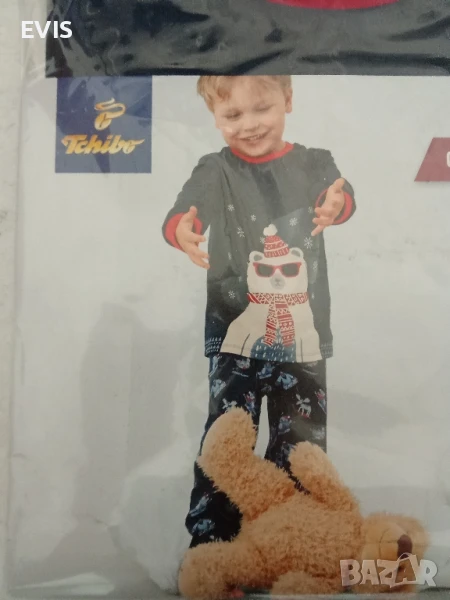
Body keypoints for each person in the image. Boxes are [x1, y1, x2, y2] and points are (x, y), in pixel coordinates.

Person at [162, 75, 356, 547]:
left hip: (303, 337)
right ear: (214, 117)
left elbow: (337, 192)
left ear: (288, 99)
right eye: (232, 114)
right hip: (234, 333)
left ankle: (294, 541)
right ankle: (212, 544)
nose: (249, 124)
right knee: (227, 439)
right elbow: (187, 207)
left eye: (262, 108)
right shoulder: (215, 168)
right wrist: (183, 228)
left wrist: (336, 203)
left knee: (302, 446)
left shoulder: (315, 162)